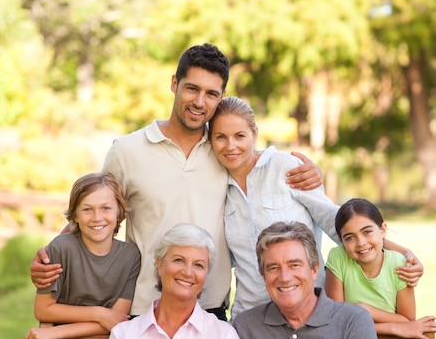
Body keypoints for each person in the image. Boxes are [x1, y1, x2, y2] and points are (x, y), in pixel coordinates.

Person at [29, 43, 322, 320]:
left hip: (211, 309)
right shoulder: (127, 151)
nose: (199, 101)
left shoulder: (224, 151)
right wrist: (52, 258)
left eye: (211, 93)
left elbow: (261, 172)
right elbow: (93, 211)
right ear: (174, 84)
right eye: (192, 88)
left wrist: (309, 172)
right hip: (144, 308)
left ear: (221, 96)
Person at [209, 96, 424, 319]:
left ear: (254, 134)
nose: (230, 146)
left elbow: (337, 224)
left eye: (240, 136)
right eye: (221, 137)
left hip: (307, 311)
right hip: (252, 315)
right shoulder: (216, 187)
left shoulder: (287, 168)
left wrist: (404, 253)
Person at [104, 223, 257, 339]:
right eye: (178, 260)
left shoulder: (224, 336)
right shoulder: (124, 336)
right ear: (159, 264)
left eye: (199, 265)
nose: (188, 272)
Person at [24, 172, 141, 339]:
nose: (97, 217)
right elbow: (44, 309)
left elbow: (116, 322)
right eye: (87, 209)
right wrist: (99, 313)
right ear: (74, 215)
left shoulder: (130, 256)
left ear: (119, 211)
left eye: (106, 208)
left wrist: (55, 332)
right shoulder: (60, 248)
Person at [233, 221, 380, 339]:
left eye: (294, 265)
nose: (285, 277)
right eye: (273, 268)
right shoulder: (245, 326)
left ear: (314, 269)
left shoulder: (353, 321)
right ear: (263, 275)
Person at [324, 198, 436, 339]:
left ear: (383, 230)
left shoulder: (399, 264)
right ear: (342, 241)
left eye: (367, 231)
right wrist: (392, 328)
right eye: (349, 237)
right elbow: (337, 323)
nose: (361, 242)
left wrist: (364, 312)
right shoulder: (338, 258)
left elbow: (406, 321)